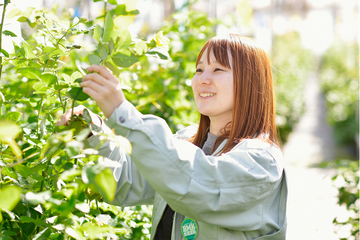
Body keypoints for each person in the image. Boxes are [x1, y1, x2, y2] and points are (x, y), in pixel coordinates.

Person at [57, 33, 287, 240]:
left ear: (250, 81)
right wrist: (95, 132)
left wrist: (122, 114)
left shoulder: (260, 161)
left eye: (218, 69)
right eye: (199, 70)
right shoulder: (186, 140)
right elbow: (126, 184)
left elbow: (197, 185)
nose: (202, 79)